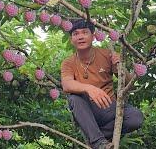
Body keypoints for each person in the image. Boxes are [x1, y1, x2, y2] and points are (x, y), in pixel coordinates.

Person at [60, 19, 144, 149]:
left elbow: (129, 84)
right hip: (87, 110)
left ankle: (95, 136)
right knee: (74, 98)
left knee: (136, 117)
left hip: (109, 108)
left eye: (85, 32)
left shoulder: (107, 54)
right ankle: (99, 142)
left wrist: (120, 67)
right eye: (76, 33)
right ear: (71, 39)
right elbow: (67, 84)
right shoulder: (68, 62)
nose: (80, 36)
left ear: (93, 36)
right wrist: (89, 88)